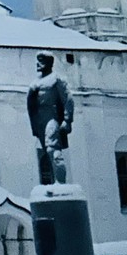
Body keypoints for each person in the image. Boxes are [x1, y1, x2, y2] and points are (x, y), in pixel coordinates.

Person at [27, 52, 74, 184]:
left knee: (52, 148)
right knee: (47, 152)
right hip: (40, 120)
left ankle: (61, 182)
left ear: (49, 63)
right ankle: (54, 180)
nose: (38, 64)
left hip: (52, 117)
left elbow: (68, 99)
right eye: (37, 60)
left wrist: (67, 120)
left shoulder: (56, 79)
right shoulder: (35, 83)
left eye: (41, 61)